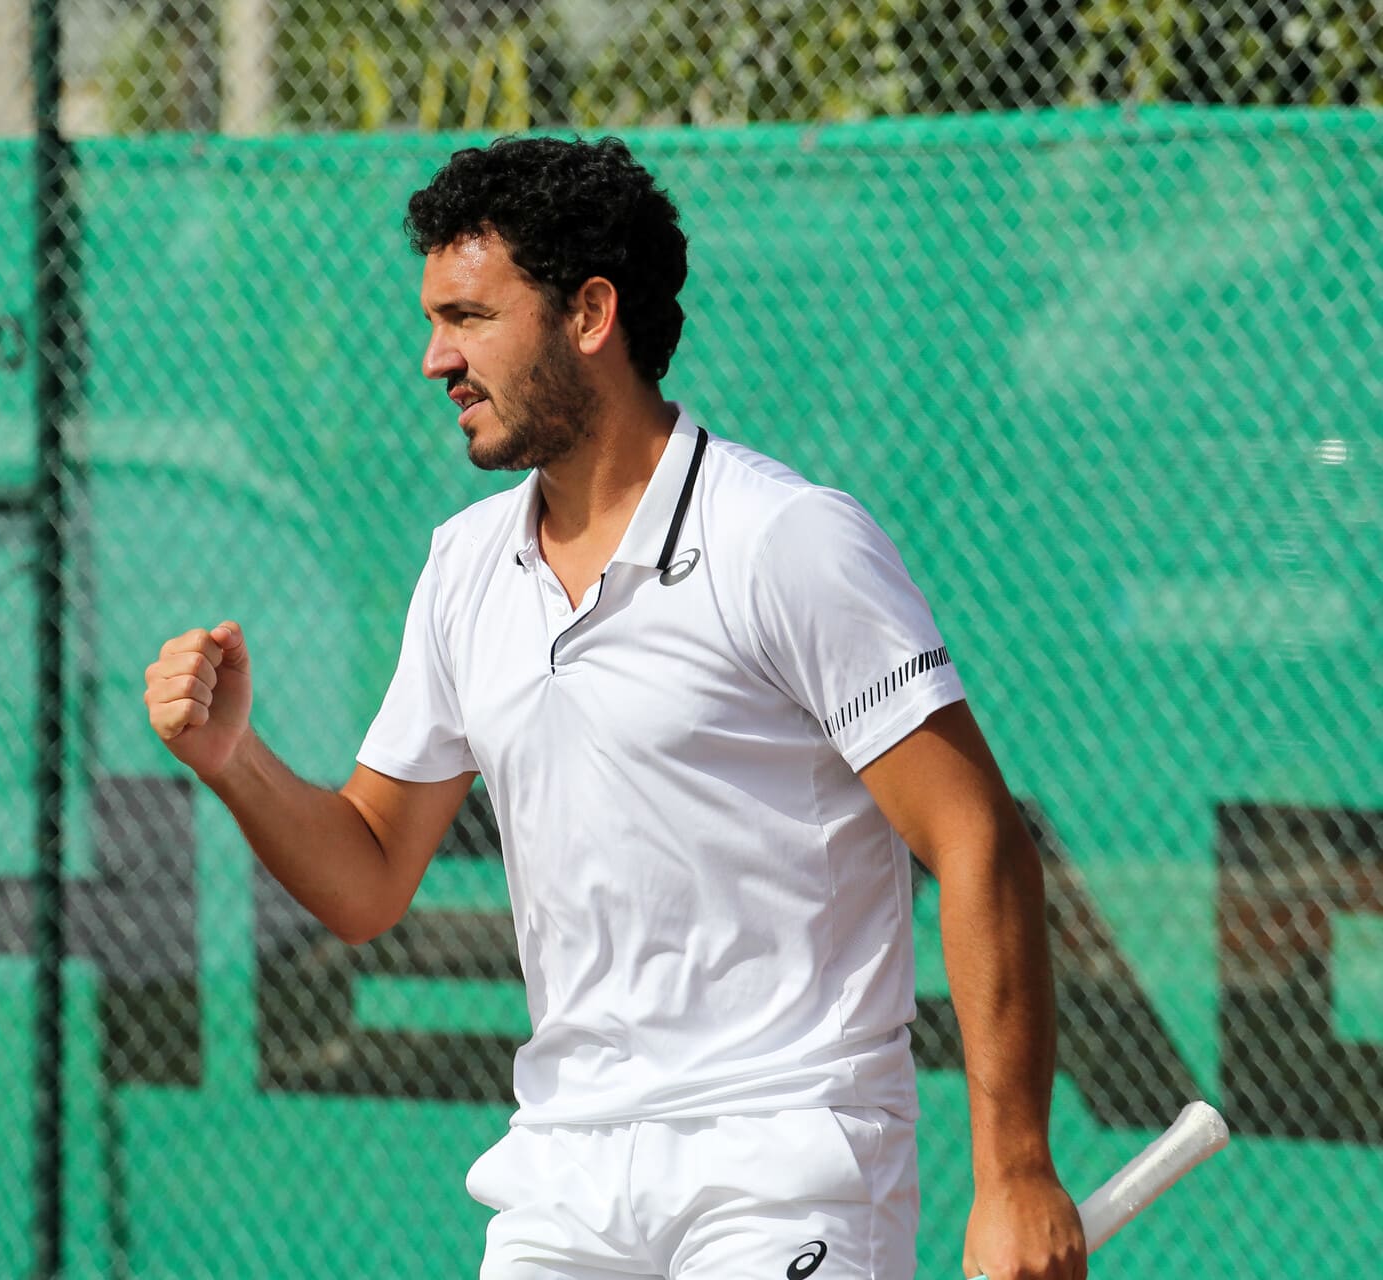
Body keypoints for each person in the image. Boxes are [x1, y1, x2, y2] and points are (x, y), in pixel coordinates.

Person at [144, 135, 1087, 1280]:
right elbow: (367, 874)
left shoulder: (786, 540)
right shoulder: (460, 569)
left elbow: (978, 836)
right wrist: (233, 758)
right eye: (434, 318)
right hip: (562, 1176)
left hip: (789, 1158)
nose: (434, 358)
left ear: (590, 313)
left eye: (470, 316)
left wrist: (1017, 1168)